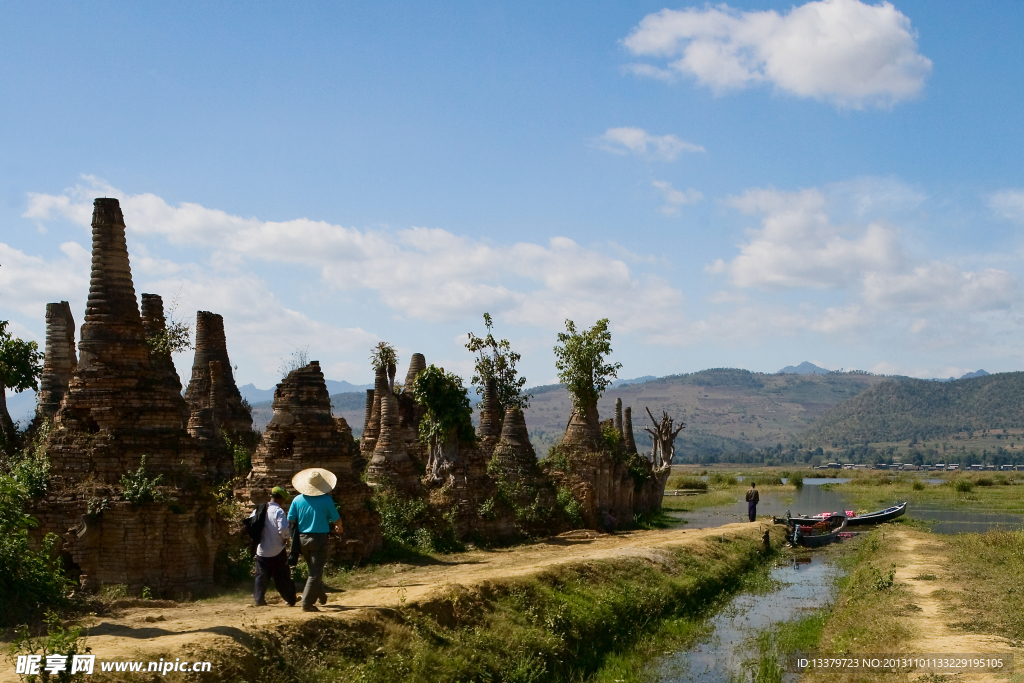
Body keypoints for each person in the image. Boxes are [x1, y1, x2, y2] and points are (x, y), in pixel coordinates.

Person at [287, 468, 343, 612]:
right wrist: (339, 529)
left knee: (313, 569)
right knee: (315, 572)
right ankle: (306, 603)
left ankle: (321, 594)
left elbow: (291, 519)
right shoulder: (326, 500)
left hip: (302, 539)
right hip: (319, 539)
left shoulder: (297, 499)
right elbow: (337, 520)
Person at [250, 486, 297, 607]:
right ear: (280, 499)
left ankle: (259, 599)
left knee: (261, 576)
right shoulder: (278, 511)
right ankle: (290, 599)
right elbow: (282, 529)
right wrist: (286, 539)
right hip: (277, 549)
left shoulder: (259, 509)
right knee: (282, 576)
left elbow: (251, 523)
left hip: (262, 549)